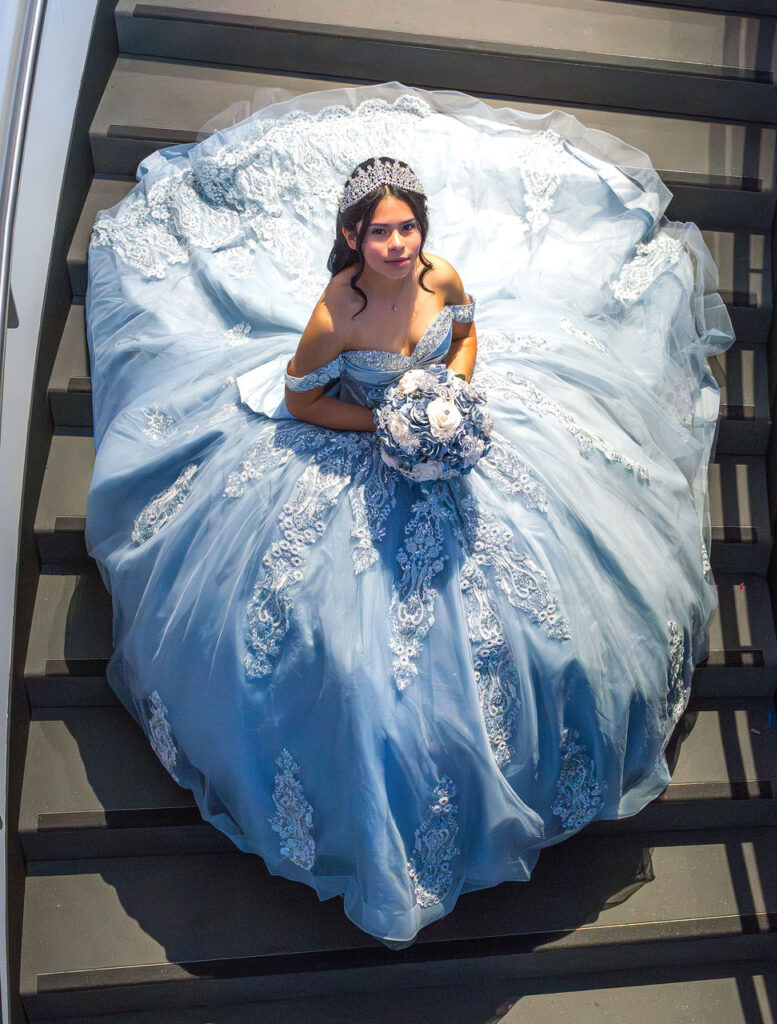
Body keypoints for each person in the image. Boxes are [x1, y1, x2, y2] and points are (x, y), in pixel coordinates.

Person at [85, 82, 733, 949]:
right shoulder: (334, 313)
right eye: (380, 231)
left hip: (447, 425)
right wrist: (385, 422)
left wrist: (450, 387)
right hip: (358, 438)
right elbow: (302, 403)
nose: (398, 244)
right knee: (352, 655)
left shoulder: (439, 274)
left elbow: (464, 328)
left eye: (407, 227)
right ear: (352, 237)